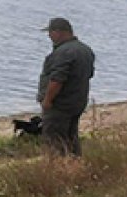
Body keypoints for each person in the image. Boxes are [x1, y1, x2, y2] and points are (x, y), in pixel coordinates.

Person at [37, 18, 96, 156]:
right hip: (77, 103)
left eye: (50, 32)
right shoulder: (85, 50)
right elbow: (89, 74)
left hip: (60, 105)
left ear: (58, 32)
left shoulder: (63, 53)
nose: (49, 36)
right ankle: (74, 167)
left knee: (54, 140)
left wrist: (47, 100)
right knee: (71, 138)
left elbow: (57, 80)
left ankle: (58, 170)